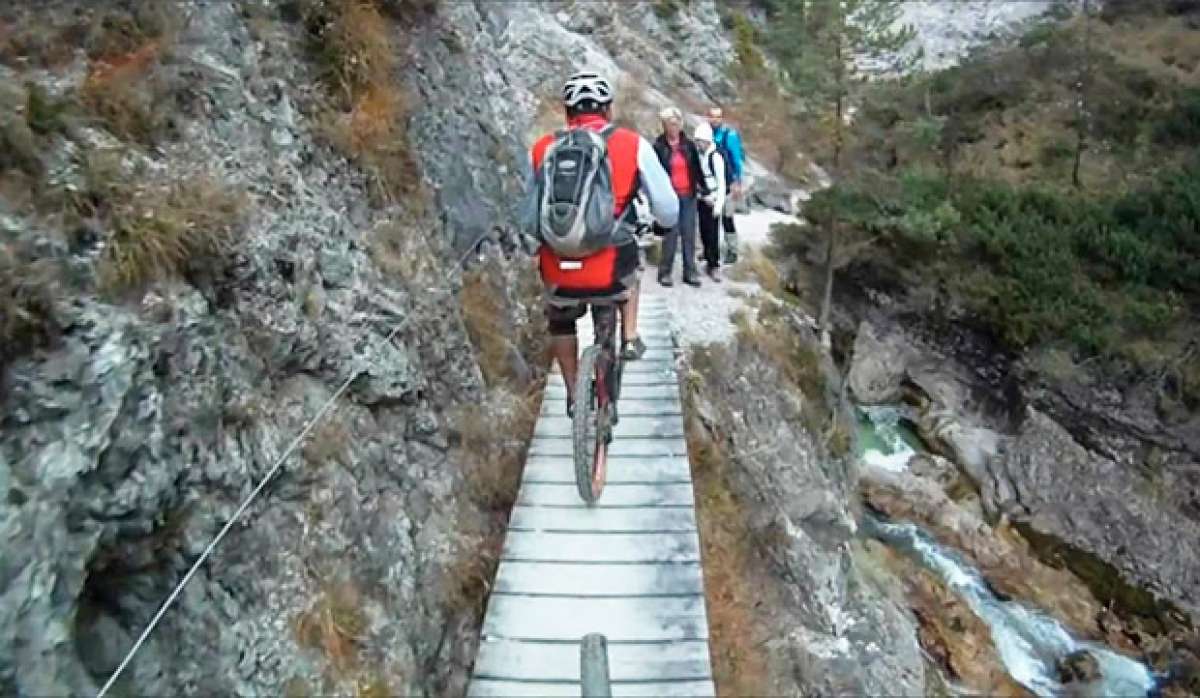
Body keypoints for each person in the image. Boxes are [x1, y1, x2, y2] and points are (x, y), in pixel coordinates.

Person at [529, 72, 679, 416]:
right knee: (613, 301)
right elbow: (668, 209)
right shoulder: (632, 144)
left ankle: (572, 396)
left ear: (567, 112)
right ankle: (606, 400)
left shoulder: (542, 149)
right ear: (607, 109)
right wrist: (662, 225)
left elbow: (528, 212)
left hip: (558, 266)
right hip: (609, 265)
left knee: (561, 322)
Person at [653, 106, 707, 288]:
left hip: (688, 195)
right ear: (664, 125)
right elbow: (655, 172)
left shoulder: (689, 145)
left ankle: (690, 272)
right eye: (669, 124)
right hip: (669, 196)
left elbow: (696, 169)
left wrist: (705, 188)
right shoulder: (658, 146)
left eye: (675, 124)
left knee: (689, 234)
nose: (673, 127)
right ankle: (665, 272)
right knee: (670, 234)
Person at [707, 106, 745, 264]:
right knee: (711, 219)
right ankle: (710, 249)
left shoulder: (729, 136)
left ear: (722, 119)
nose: (715, 120)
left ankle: (733, 250)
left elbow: (737, 160)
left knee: (727, 218)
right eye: (712, 116)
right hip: (713, 184)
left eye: (718, 117)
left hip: (729, 184)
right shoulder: (707, 134)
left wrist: (737, 182)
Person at [693, 122, 726, 282]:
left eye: (700, 141)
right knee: (704, 230)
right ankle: (706, 256)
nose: (698, 144)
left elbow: (722, 182)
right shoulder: (700, 154)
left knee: (713, 233)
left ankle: (714, 264)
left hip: (713, 198)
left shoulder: (715, 156)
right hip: (702, 196)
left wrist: (718, 205)